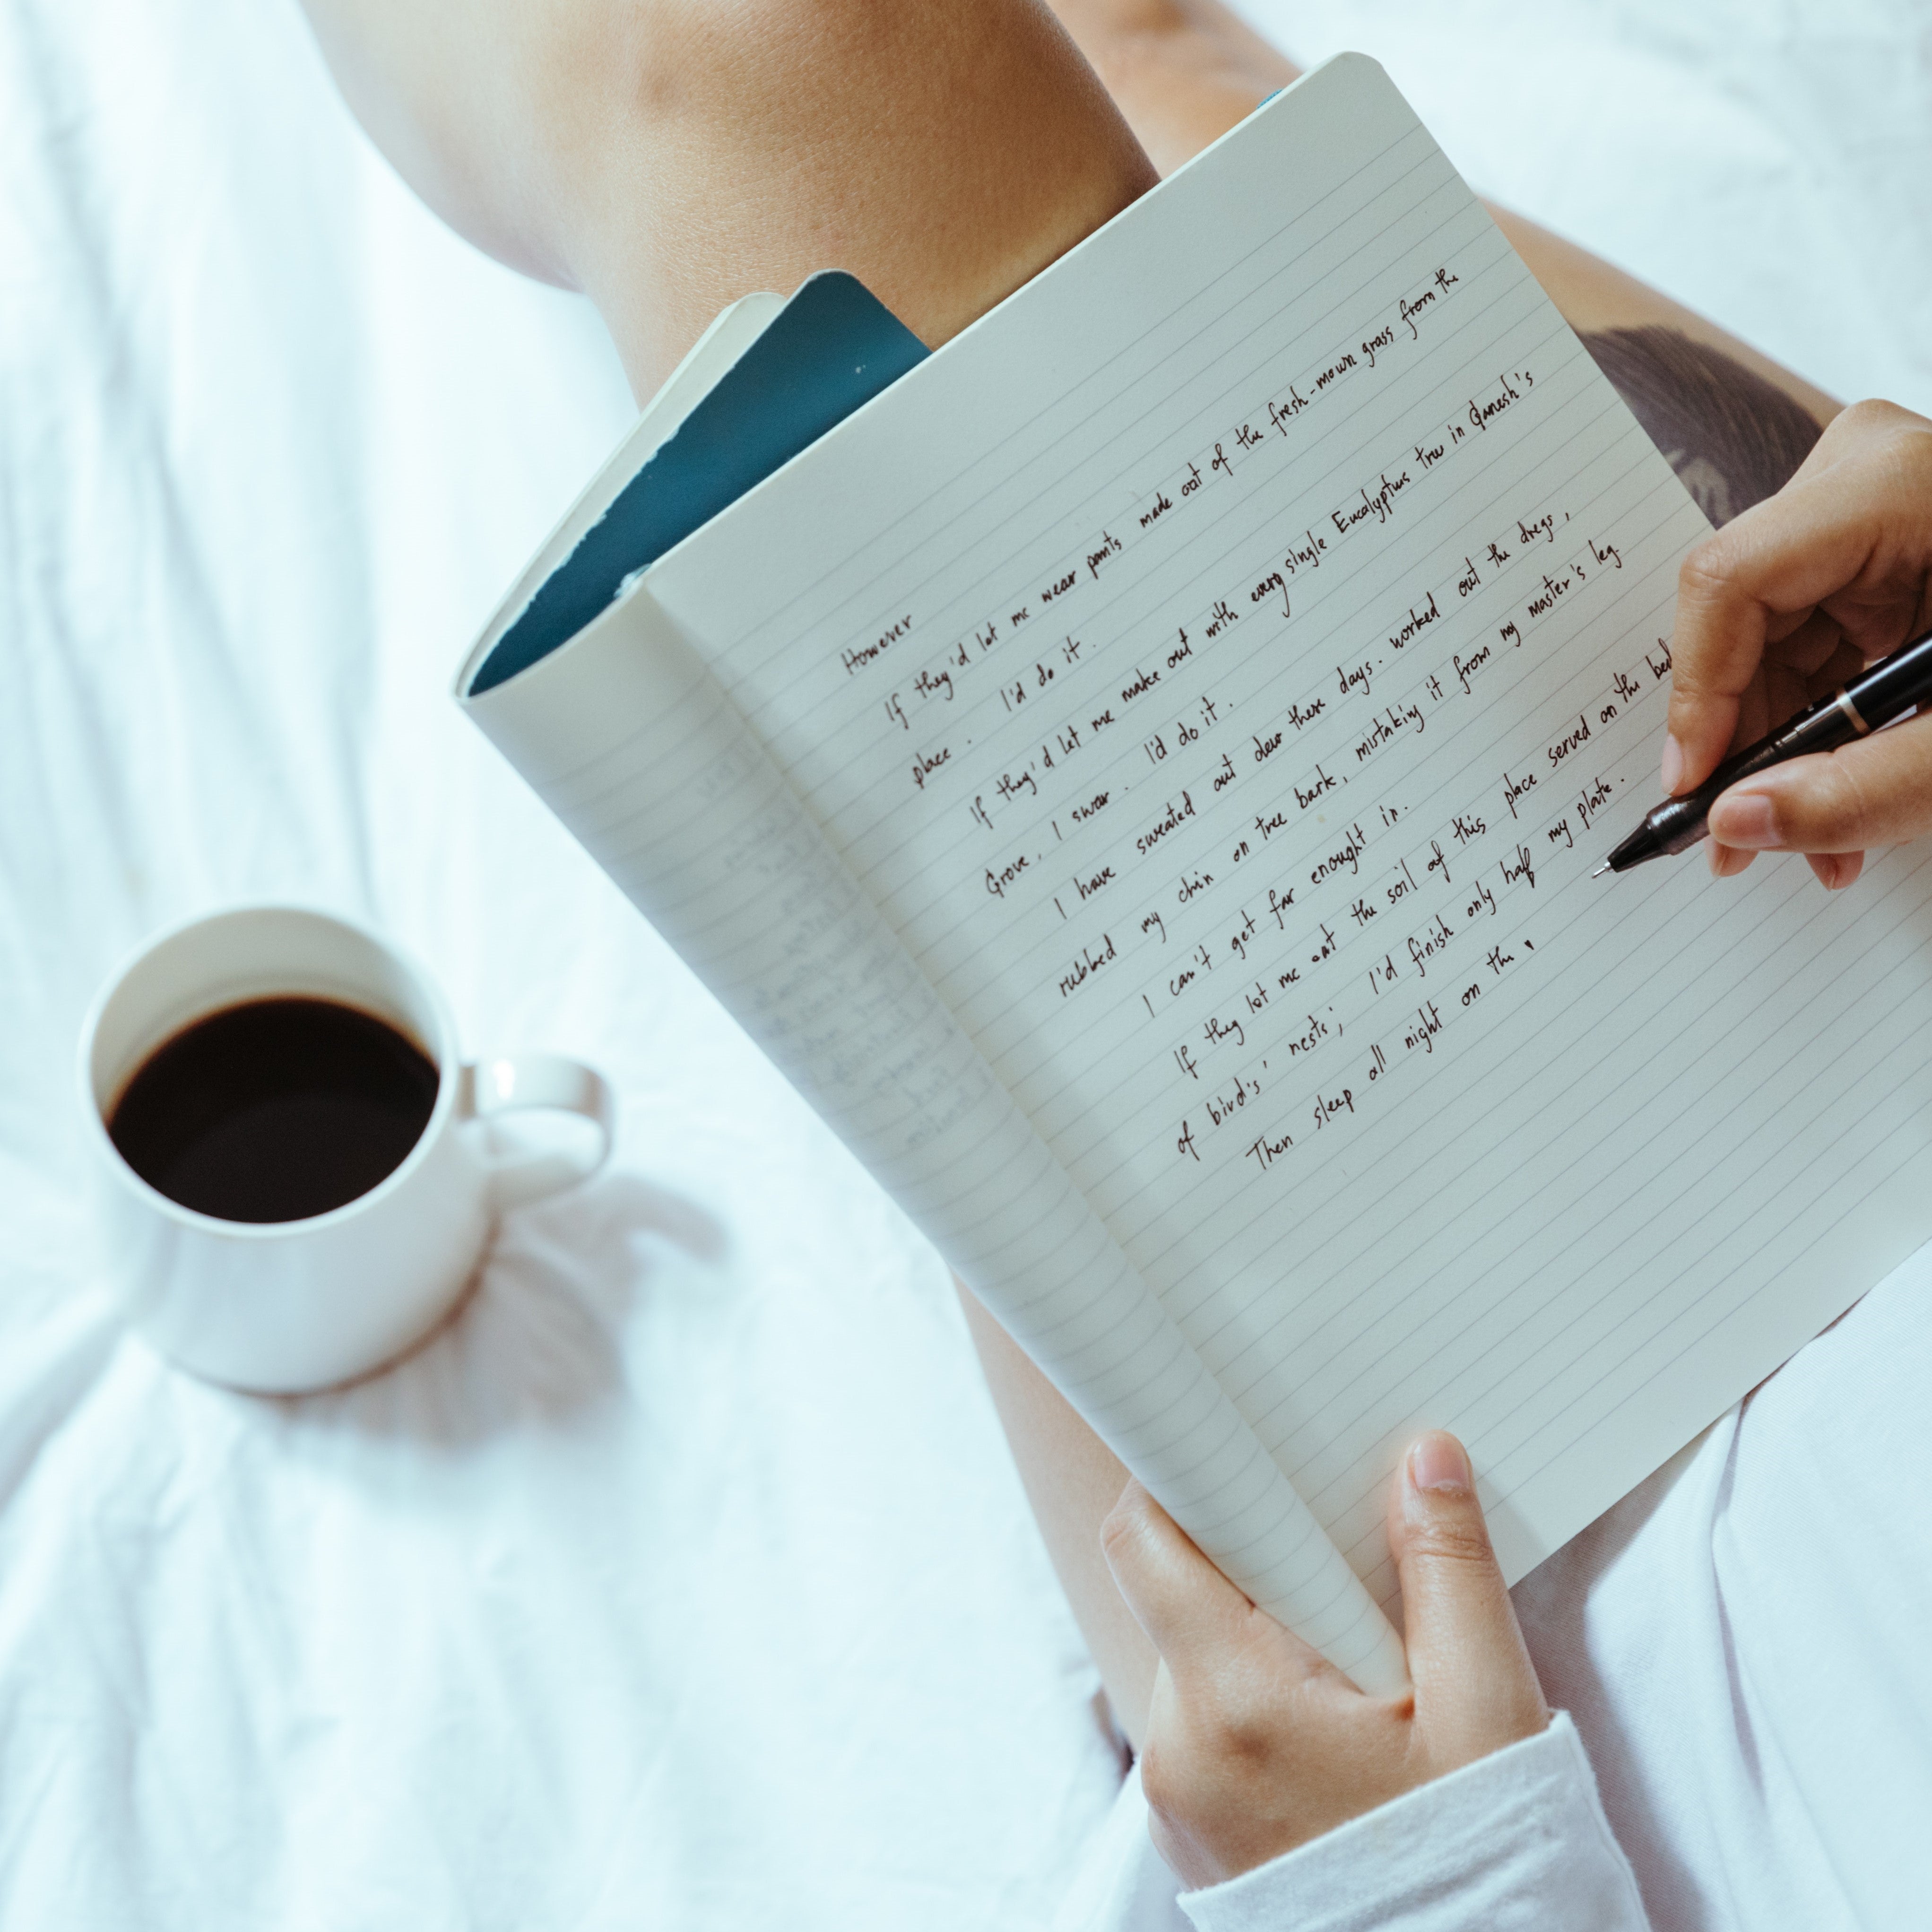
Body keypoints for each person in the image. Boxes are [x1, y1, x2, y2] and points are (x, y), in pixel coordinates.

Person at [296, 0, 1932, 1920]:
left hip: (1526, 1593)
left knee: (759, 59)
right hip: (1846, 872)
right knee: (1192, 109)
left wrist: (1412, 1875)